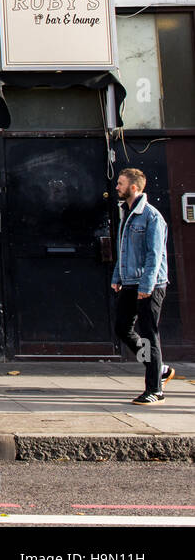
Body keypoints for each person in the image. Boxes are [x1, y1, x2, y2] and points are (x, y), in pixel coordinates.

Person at [111, 168, 176, 404]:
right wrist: (117, 277)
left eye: (120, 183)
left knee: (149, 335)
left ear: (134, 187)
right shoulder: (126, 213)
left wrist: (146, 286)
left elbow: (155, 255)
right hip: (129, 282)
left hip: (149, 284)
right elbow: (123, 250)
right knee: (122, 328)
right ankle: (159, 368)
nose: (117, 187)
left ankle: (155, 390)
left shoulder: (151, 216)